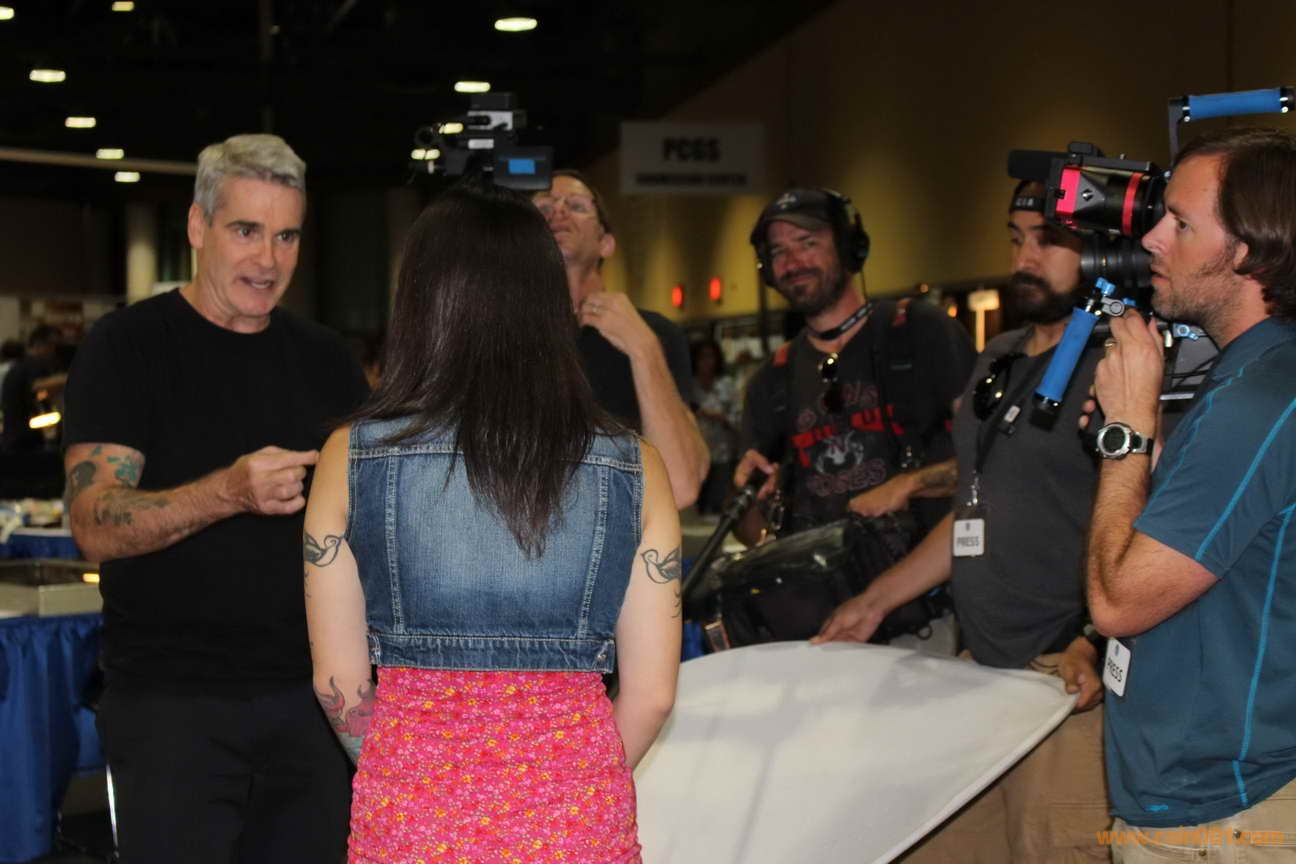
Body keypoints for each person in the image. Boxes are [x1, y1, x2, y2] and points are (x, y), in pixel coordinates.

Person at [304, 182, 681, 863]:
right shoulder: (634, 466)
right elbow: (652, 695)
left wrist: (418, 777)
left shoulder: (350, 458)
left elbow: (340, 683)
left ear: (420, 302)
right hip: (575, 823)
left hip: (412, 821)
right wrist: (565, 785)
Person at [62, 133, 368, 863]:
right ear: (198, 227)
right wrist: (227, 492)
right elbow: (94, 522)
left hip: (311, 701)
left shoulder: (327, 360)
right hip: (172, 702)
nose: (269, 260)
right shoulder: (127, 347)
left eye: (287, 236)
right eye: (246, 231)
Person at [817, 181, 1111, 862]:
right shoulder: (1001, 354)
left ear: (1101, 252)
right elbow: (976, 507)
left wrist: (1093, 642)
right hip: (980, 669)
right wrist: (874, 602)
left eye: (1048, 241)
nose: (1024, 258)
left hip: (1062, 678)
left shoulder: (1117, 363)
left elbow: (1152, 523)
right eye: (1016, 238)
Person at [1087, 128, 1296, 860]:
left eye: (1179, 222)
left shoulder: (1257, 400)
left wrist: (1126, 435)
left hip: (1221, 813)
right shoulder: (1252, 376)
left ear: (1246, 251)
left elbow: (1118, 601)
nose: (1150, 238)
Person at [734, 186, 974, 546]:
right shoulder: (771, 380)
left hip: (930, 568)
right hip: (820, 577)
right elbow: (750, 532)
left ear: (849, 246)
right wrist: (749, 499)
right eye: (778, 252)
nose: (793, 263)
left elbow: (992, 460)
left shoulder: (922, 332)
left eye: (807, 243)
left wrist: (912, 483)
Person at [532, 169, 707, 508]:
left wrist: (643, 349)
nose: (559, 212)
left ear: (606, 242)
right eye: (544, 208)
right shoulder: (502, 336)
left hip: (617, 528)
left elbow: (681, 486)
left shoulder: (653, 333)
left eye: (576, 205)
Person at [691, 338, 741, 514]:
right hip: (695, 454)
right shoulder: (689, 387)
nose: (707, 362)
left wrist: (719, 417)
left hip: (723, 452)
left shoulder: (726, 385)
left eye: (711, 357)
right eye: (702, 357)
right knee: (697, 504)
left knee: (721, 503)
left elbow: (738, 417)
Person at [1, 323, 59, 453]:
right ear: (39, 344)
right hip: (23, 440)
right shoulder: (31, 366)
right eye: (52, 346)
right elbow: (38, 386)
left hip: (15, 437)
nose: (53, 352)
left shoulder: (18, 367)